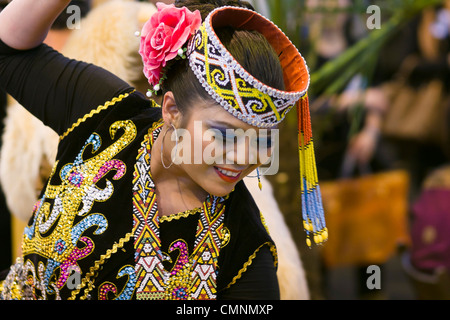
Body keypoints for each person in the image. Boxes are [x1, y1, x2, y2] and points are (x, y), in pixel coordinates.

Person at [0, 0, 325, 300]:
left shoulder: (246, 255)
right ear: (171, 110)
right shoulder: (104, 112)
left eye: (262, 140)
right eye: (225, 135)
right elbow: (7, 49)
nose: (243, 158)